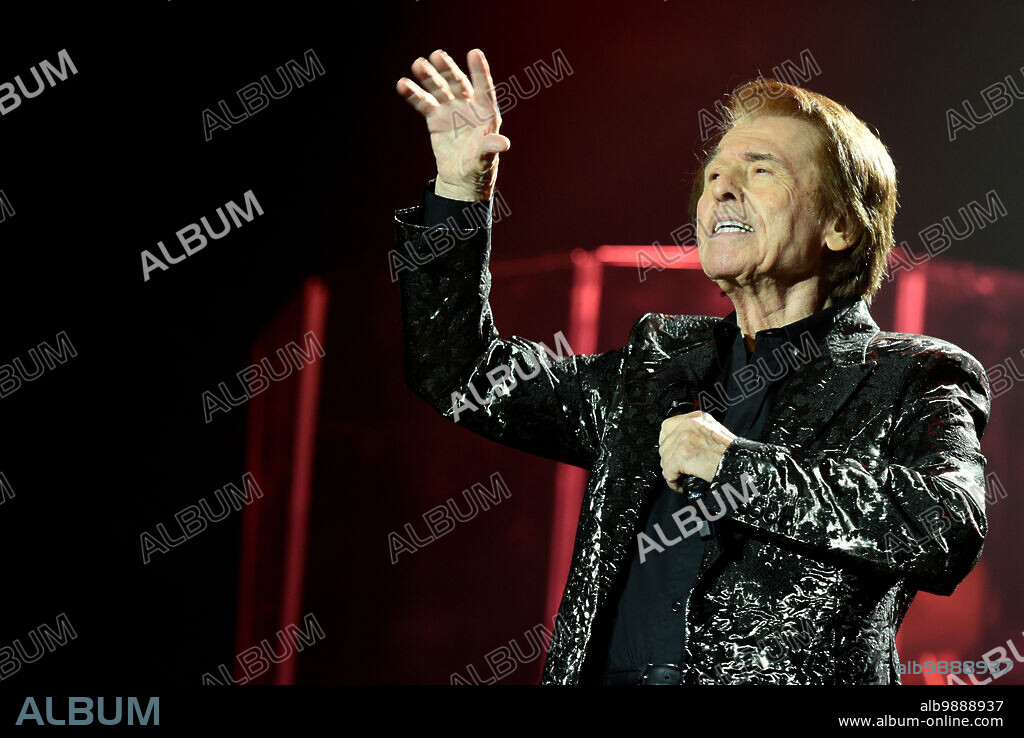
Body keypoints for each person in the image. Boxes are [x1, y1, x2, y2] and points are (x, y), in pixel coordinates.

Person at [393, 49, 992, 685]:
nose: (720, 189)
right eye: (712, 175)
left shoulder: (913, 374)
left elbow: (946, 526)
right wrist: (460, 189)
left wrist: (736, 468)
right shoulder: (655, 365)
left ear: (841, 224)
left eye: (760, 169)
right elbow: (463, 376)